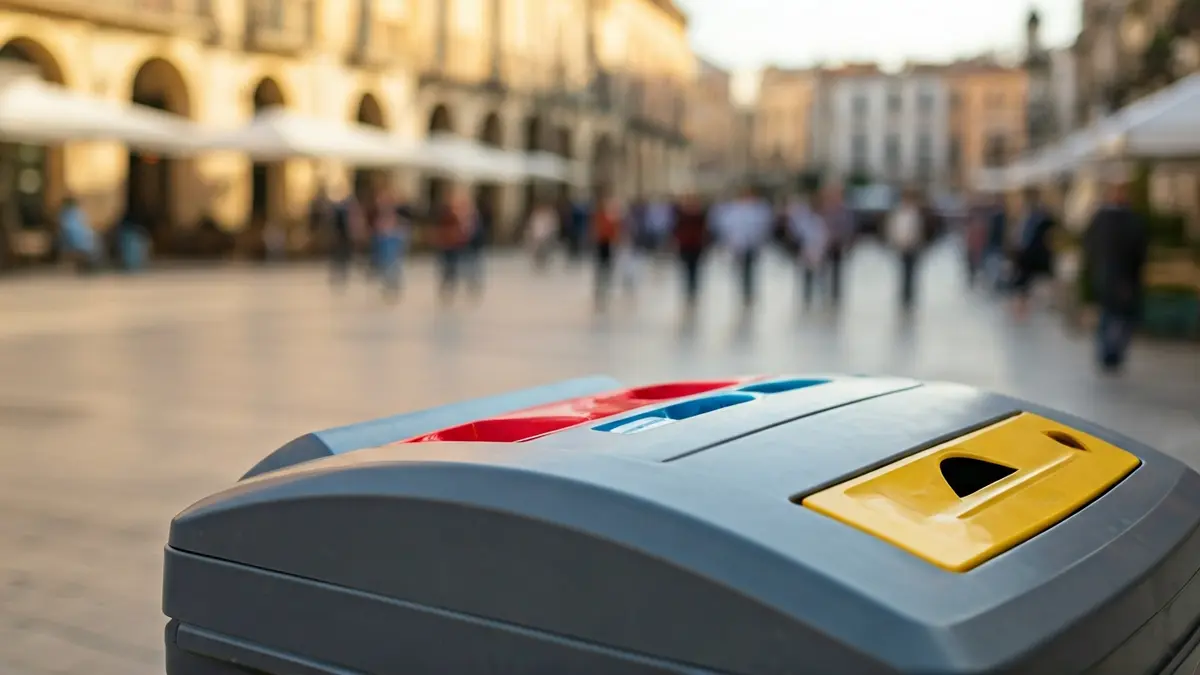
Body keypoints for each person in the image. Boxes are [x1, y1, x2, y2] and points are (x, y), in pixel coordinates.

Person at [1083, 176, 1148, 374]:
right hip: (1114, 277)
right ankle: (1109, 353)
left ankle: (1111, 353)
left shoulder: (1111, 218)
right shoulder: (1109, 219)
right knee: (1113, 316)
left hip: (1116, 276)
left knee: (1116, 317)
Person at [713, 186, 773, 311]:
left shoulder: (758, 209)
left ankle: (749, 293)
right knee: (741, 269)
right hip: (737, 245)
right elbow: (726, 225)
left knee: (750, 269)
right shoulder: (734, 209)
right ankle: (743, 292)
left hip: (752, 244)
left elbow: (763, 226)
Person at [1011, 188, 1057, 320]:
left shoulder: (1035, 219)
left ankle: (1024, 306)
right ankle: (1023, 306)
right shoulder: (1031, 218)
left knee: (1025, 282)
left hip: (1030, 256)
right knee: (1025, 283)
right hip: (1030, 256)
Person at [884, 188, 926, 311]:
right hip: (901, 246)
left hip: (912, 246)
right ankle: (903, 296)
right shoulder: (898, 212)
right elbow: (893, 228)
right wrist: (895, 242)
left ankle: (910, 297)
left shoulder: (915, 213)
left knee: (911, 272)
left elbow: (918, 229)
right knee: (902, 272)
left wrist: (916, 241)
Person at [787, 192, 829, 309]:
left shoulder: (818, 220)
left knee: (820, 276)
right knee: (806, 276)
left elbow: (823, 236)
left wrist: (818, 250)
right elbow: (797, 233)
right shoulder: (803, 220)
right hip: (805, 250)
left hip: (818, 251)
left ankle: (823, 297)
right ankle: (806, 298)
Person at [435, 186, 476, 303]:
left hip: (458, 246)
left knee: (457, 266)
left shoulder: (468, 216)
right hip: (447, 245)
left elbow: (470, 232)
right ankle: (448, 284)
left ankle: (458, 284)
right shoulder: (446, 214)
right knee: (448, 266)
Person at [672, 193, 709, 313]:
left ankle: (693, 289)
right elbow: (676, 229)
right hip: (685, 245)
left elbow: (705, 229)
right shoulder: (681, 214)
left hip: (696, 244)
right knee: (686, 268)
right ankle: (688, 290)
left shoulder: (700, 214)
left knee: (695, 269)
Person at [821, 184, 856, 305]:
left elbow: (848, 226)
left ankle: (835, 295)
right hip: (826, 243)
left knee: (837, 271)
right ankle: (824, 293)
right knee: (823, 270)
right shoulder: (826, 210)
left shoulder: (845, 211)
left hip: (838, 244)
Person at [591, 192, 623, 311]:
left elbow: (616, 231)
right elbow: (597, 229)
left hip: (610, 245)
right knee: (600, 268)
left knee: (608, 268)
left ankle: (606, 288)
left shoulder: (614, 216)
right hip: (601, 244)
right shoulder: (600, 215)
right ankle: (599, 289)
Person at [57, 195, 100, 274]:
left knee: (94, 243)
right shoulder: (72, 215)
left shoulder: (71, 214)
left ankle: (89, 265)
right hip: (76, 241)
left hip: (78, 240)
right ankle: (90, 265)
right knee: (94, 243)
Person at [527, 199, 559, 270]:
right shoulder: (535, 215)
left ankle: (544, 262)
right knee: (536, 250)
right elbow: (532, 225)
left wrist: (549, 234)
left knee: (545, 250)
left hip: (545, 237)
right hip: (537, 236)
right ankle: (538, 262)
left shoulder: (549, 215)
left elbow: (552, 226)